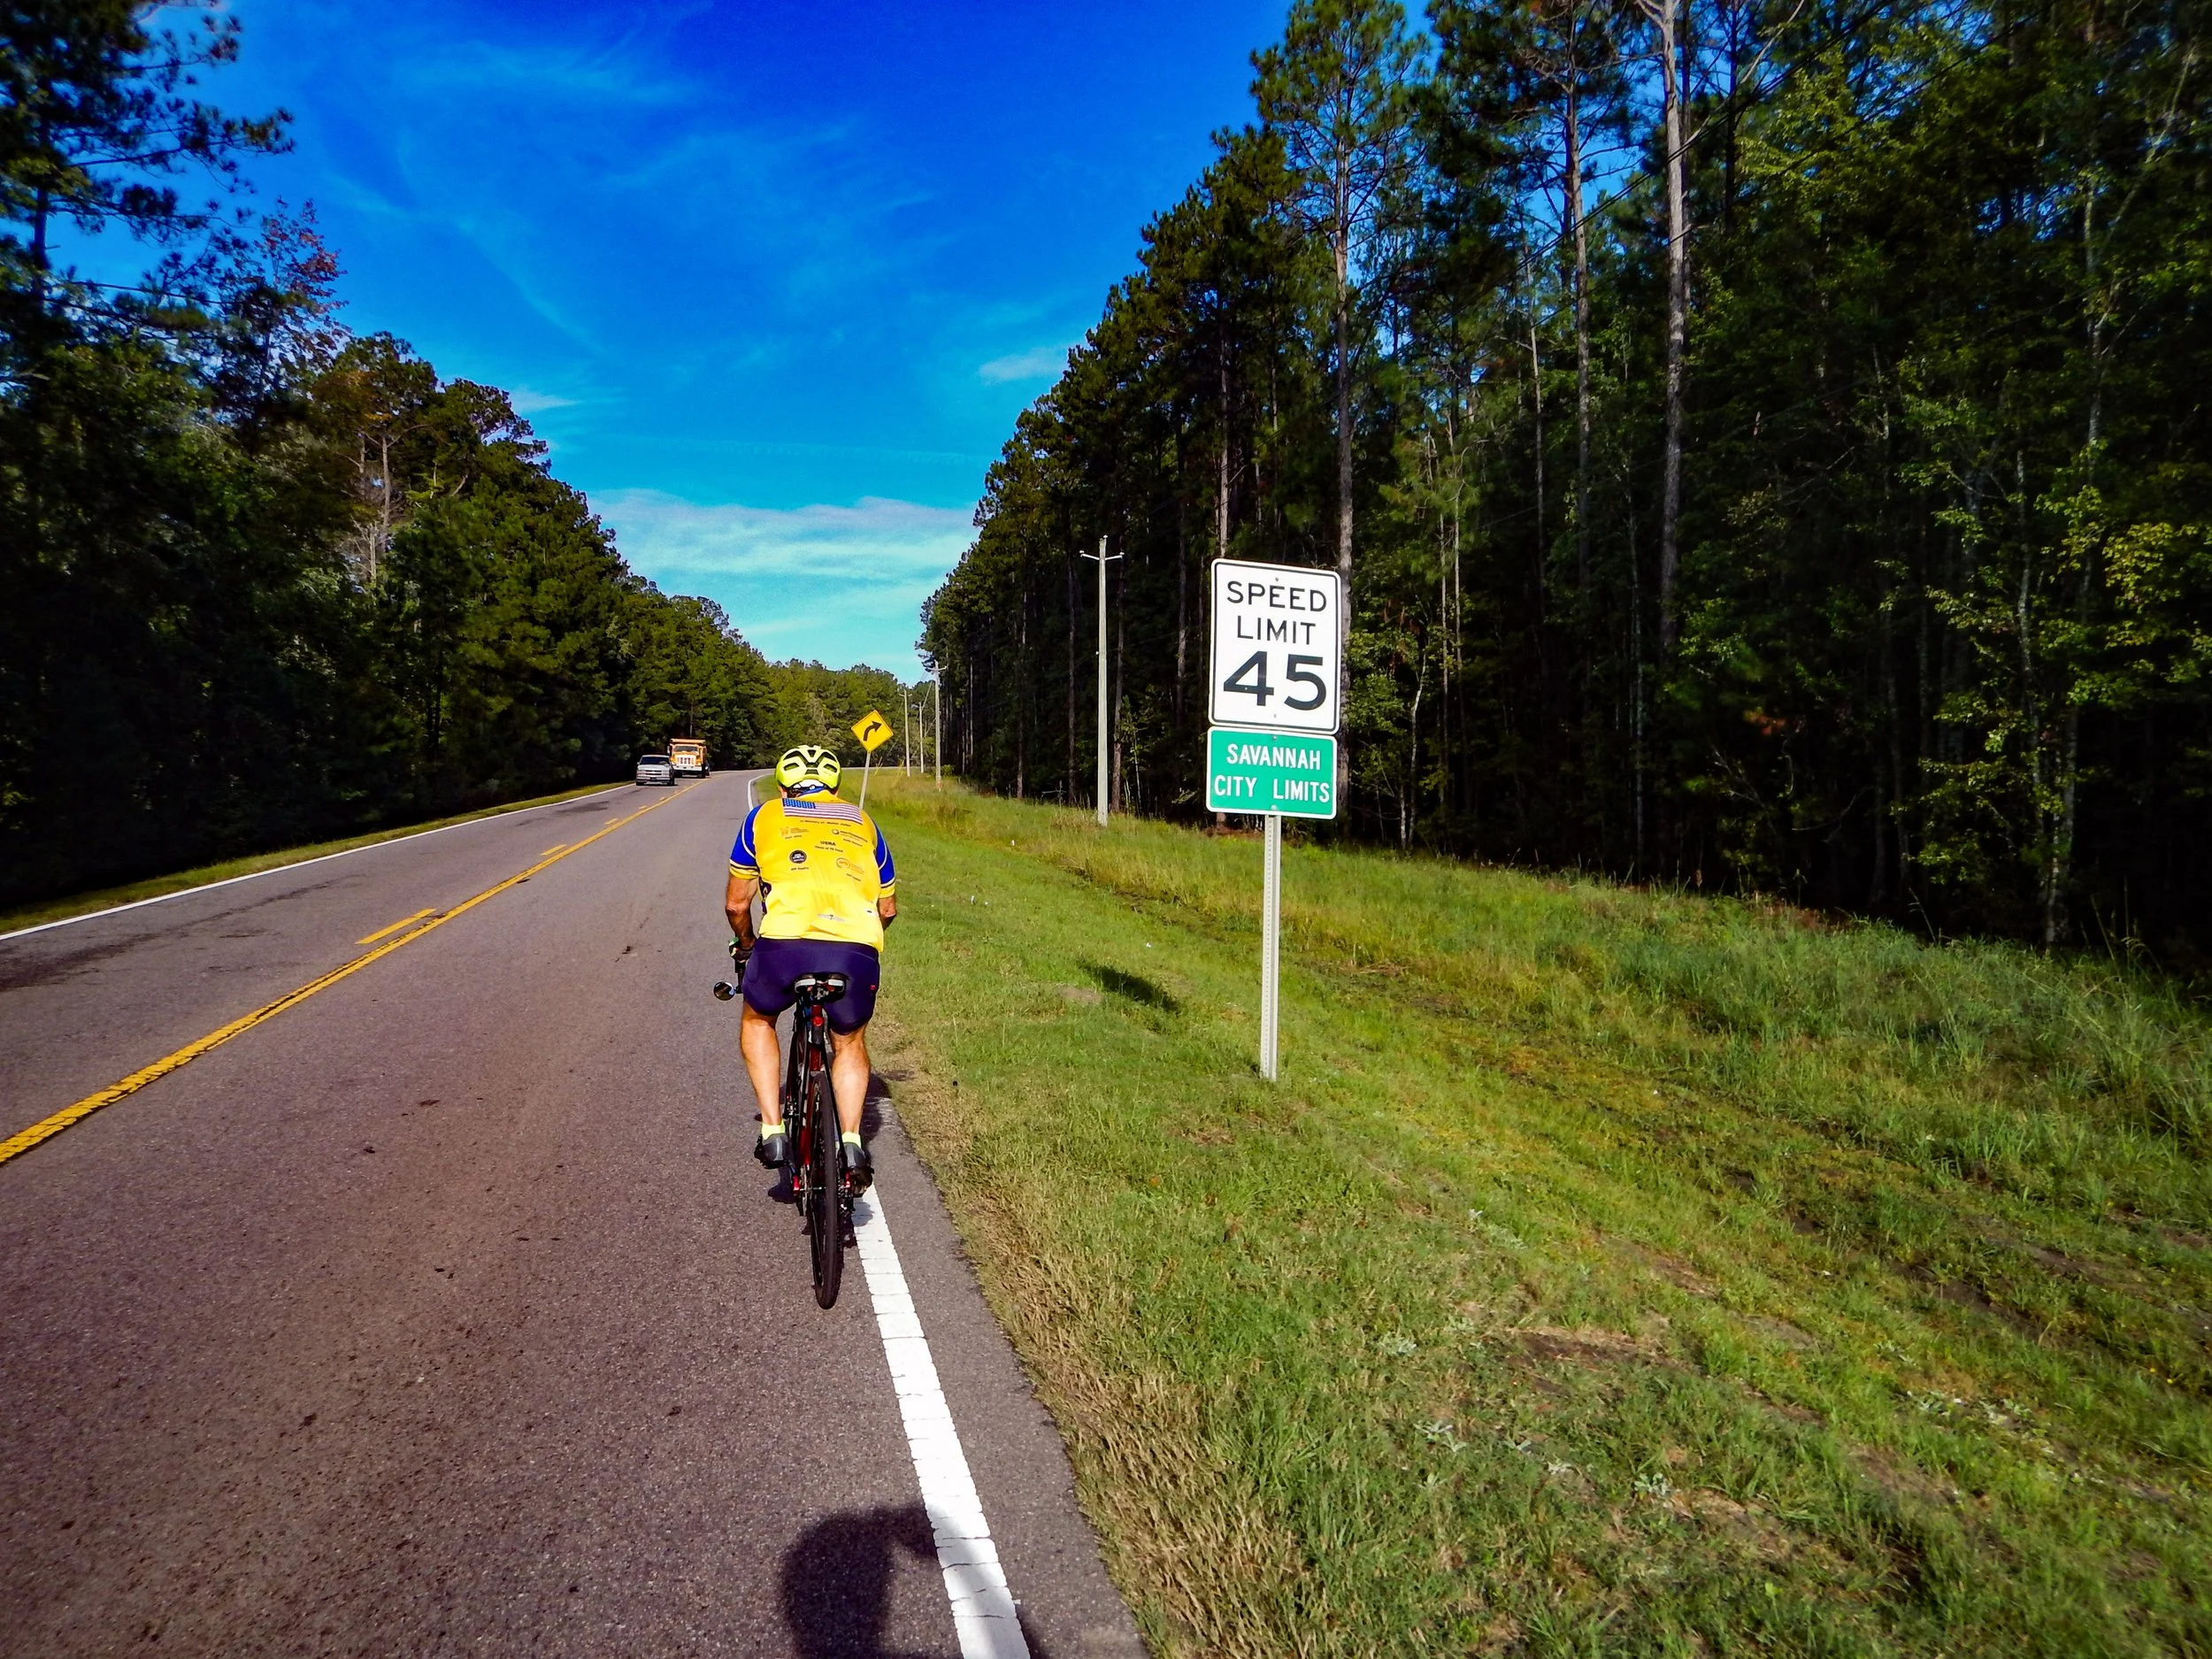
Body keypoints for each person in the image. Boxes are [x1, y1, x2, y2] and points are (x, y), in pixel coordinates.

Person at [725, 744, 897, 1189]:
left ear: (783, 785)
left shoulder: (763, 817)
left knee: (759, 1019)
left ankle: (772, 1129)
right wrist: (862, 944)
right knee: (850, 1041)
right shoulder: (864, 822)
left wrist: (747, 945)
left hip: (785, 943)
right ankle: (854, 1140)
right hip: (854, 947)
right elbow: (889, 908)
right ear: (835, 786)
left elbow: (736, 903)